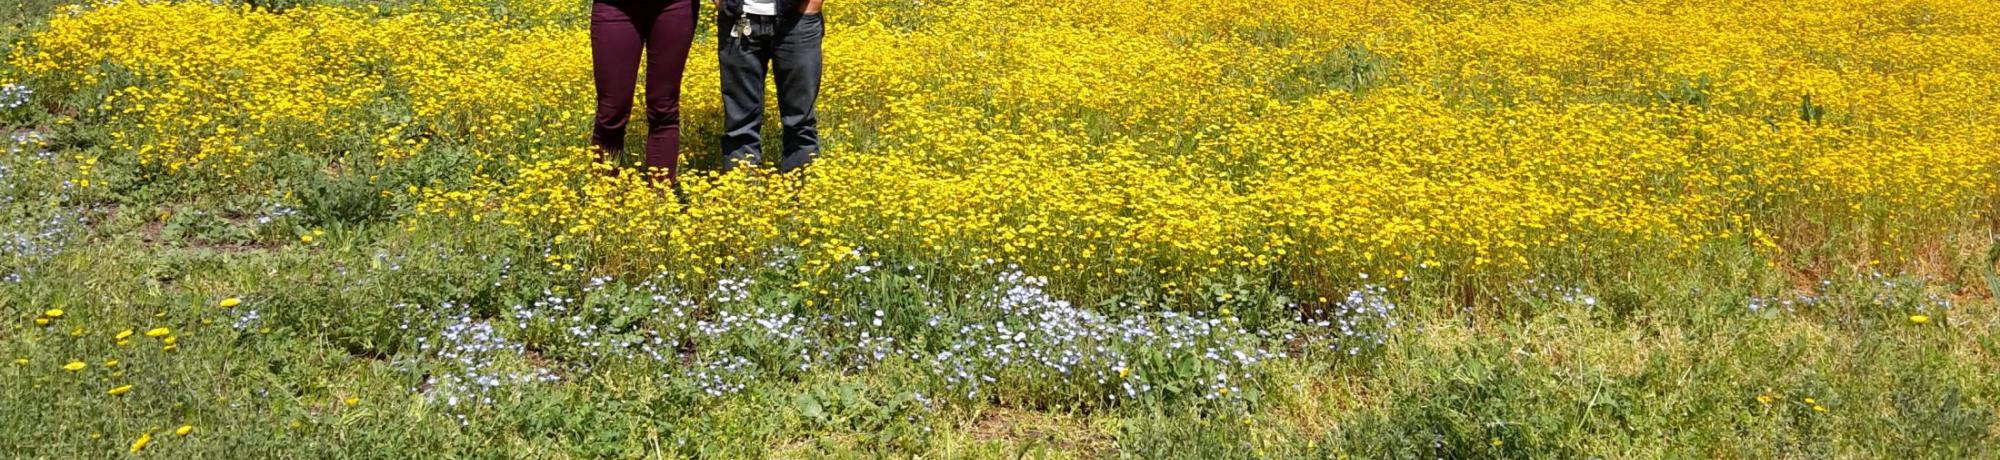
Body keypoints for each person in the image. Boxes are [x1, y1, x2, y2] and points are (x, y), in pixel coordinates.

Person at [590, 0, 699, 183]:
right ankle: (602, 195)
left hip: (675, 5)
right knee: (612, 110)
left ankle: (660, 200)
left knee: (664, 108)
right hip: (615, 6)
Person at [716, 0, 824, 173]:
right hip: (738, 16)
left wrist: (813, 5)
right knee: (739, 122)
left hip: (798, 19)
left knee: (800, 121)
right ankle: (741, 194)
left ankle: (802, 193)